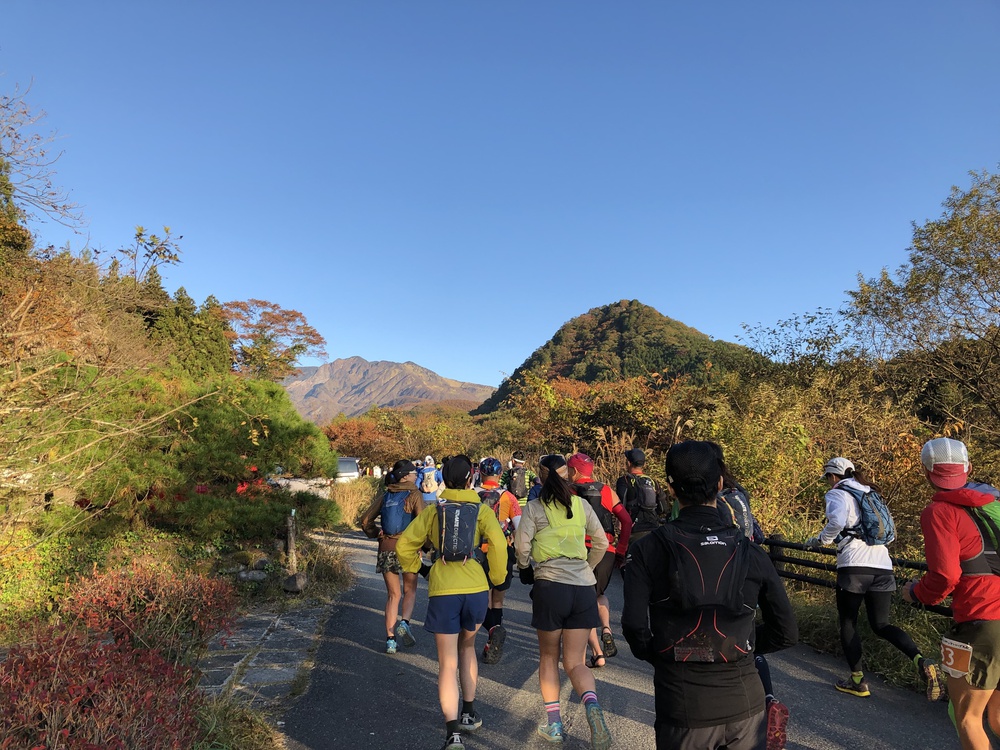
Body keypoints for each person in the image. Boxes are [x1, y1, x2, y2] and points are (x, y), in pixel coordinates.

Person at [622, 440, 798, 750]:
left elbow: (635, 626)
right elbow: (786, 632)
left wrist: (666, 654)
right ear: (719, 484)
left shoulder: (647, 549)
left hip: (683, 705)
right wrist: (740, 644)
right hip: (746, 705)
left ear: (670, 488)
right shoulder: (751, 552)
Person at [804, 456, 941, 700]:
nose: (828, 482)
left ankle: (858, 681)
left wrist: (821, 540)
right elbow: (889, 533)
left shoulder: (837, 493)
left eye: (828, 478)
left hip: (854, 565)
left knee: (848, 623)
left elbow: (836, 521)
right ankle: (920, 660)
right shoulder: (871, 493)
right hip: (882, 565)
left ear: (833, 476)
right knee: (882, 625)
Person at [396, 455, 508, 750]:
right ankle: (469, 713)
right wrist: (496, 578)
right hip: (475, 588)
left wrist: (420, 569)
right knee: (468, 648)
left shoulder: (434, 511)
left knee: (447, 663)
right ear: (471, 479)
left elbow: (405, 545)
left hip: (443, 589)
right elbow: (498, 545)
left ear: (443, 478)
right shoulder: (482, 511)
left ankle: (452, 734)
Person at [902, 438, 1000, 750]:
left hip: (982, 621)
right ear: (968, 467)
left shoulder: (940, 511)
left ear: (926, 472)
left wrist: (916, 593)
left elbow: (945, 575)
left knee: (968, 717)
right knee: (998, 716)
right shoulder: (995, 504)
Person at [514, 453, 612, 749]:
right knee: (576, 662)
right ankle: (592, 705)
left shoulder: (534, 508)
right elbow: (602, 542)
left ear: (540, 478)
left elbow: (522, 546)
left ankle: (554, 724)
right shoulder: (581, 505)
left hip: (550, 585)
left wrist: (525, 568)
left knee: (548, 657)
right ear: (567, 475)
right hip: (582, 587)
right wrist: (587, 568)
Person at [566, 452, 632, 667]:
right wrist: (621, 549)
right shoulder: (606, 490)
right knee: (598, 594)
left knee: (582, 602)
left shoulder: (569, 490)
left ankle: (597, 653)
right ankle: (606, 629)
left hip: (580, 550)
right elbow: (626, 521)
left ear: (574, 471)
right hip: (606, 551)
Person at [359, 459, 427, 653]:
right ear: (405, 476)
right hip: (408, 550)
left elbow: (365, 520)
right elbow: (422, 523)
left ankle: (390, 640)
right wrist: (426, 546)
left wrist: (377, 533)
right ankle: (404, 622)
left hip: (387, 547)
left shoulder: (386, 494)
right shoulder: (415, 494)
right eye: (413, 473)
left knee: (393, 595)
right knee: (410, 591)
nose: (416, 476)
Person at [476, 457, 523, 664]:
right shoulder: (508, 497)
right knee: (498, 599)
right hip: (502, 550)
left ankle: (491, 634)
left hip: (479, 551)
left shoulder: (473, 494)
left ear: (480, 473)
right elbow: (519, 526)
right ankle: (494, 637)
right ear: (500, 474)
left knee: (483, 599)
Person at [615, 448, 666, 546]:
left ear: (629, 463)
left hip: (633, 531)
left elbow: (621, 505)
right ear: (644, 464)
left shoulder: (624, 480)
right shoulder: (653, 482)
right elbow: (663, 508)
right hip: (653, 530)